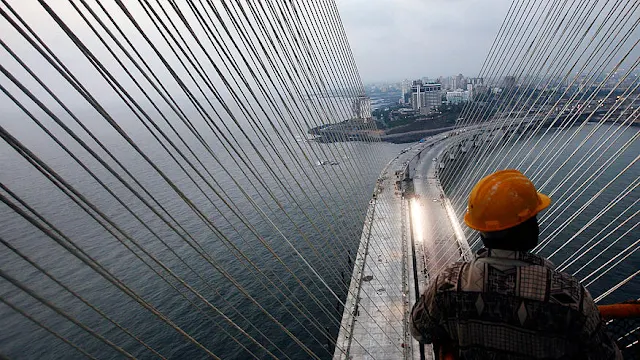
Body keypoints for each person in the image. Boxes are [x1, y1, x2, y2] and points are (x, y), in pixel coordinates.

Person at [410, 169, 621, 359]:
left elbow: (419, 330)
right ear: (529, 228)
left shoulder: (449, 284)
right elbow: (607, 355)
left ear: (481, 230)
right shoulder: (568, 296)